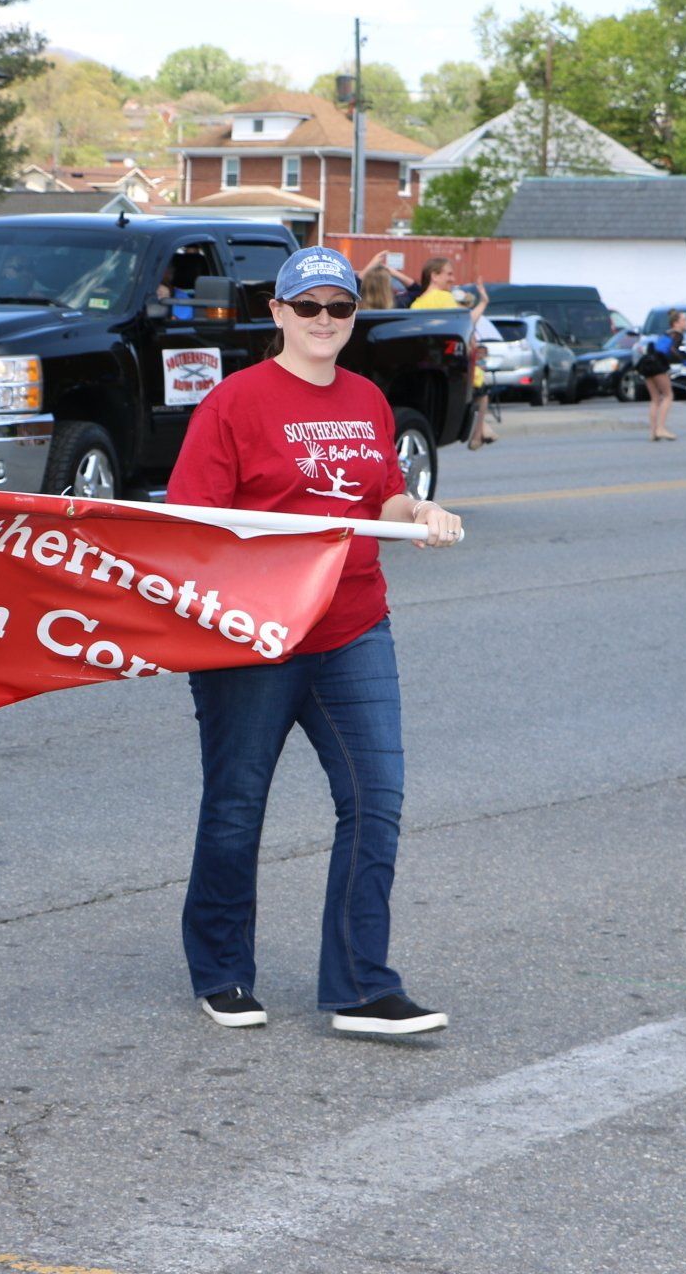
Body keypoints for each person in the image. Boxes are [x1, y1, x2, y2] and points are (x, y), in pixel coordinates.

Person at [164, 246, 462, 1038]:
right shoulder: (233, 403)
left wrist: (420, 515)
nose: (324, 321)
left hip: (353, 625)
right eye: (309, 307)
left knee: (376, 801)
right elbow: (192, 525)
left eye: (339, 308)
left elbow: (385, 499)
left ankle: (363, 986)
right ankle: (222, 971)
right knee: (236, 807)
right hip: (256, 636)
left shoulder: (367, 399)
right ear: (278, 315)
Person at [635, 310, 686, 441]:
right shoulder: (677, 334)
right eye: (684, 320)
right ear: (676, 323)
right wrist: (685, 361)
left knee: (655, 399)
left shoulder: (667, 333)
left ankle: (653, 432)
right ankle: (661, 428)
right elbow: (671, 350)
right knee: (668, 395)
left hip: (647, 362)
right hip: (658, 364)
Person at [462, 278, 498, 448]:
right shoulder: (464, 321)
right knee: (482, 395)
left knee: (480, 397)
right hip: (465, 372)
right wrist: (483, 299)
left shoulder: (456, 320)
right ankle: (478, 435)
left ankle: (483, 430)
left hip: (464, 370)